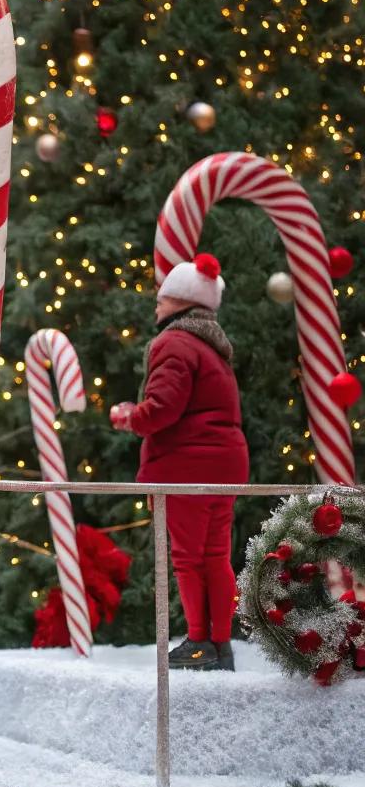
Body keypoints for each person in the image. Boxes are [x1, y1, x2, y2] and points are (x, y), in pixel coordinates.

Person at [111, 253, 248, 671]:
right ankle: (221, 646)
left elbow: (163, 409)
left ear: (181, 302)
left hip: (187, 464)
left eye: (164, 296)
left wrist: (128, 417)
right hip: (226, 463)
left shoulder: (173, 342)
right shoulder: (214, 346)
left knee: (188, 558)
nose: (157, 302)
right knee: (215, 556)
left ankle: (198, 641)